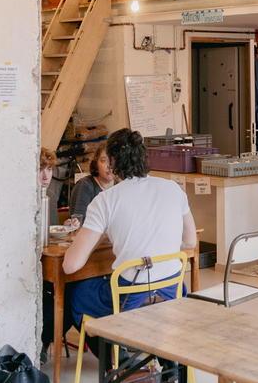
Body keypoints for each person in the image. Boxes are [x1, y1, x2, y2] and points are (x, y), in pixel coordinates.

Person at [63, 128, 197, 319]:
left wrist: (102, 237)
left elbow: (70, 266)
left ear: (113, 162)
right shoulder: (172, 188)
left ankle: (114, 345)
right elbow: (190, 242)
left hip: (131, 295)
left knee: (78, 293)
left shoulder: (106, 200)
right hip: (172, 289)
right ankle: (125, 344)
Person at [66, 142, 112, 226]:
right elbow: (78, 224)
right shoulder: (84, 186)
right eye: (104, 161)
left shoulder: (121, 186)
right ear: (96, 164)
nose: (109, 166)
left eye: (113, 160)